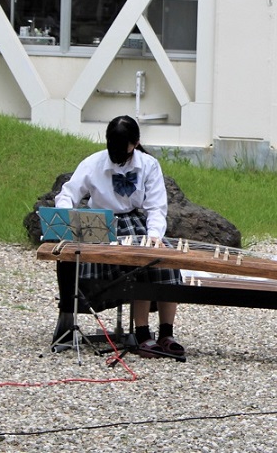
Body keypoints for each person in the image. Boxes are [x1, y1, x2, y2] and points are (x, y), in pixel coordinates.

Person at [54, 115, 184, 359]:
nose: (116, 154)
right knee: (139, 266)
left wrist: (154, 235)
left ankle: (167, 333)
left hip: (136, 223)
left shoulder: (149, 165)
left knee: (165, 262)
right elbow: (68, 194)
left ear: (135, 143)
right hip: (101, 225)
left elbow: (156, 207)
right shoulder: (93, 163)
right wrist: (66, 219)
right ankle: (142, 334)